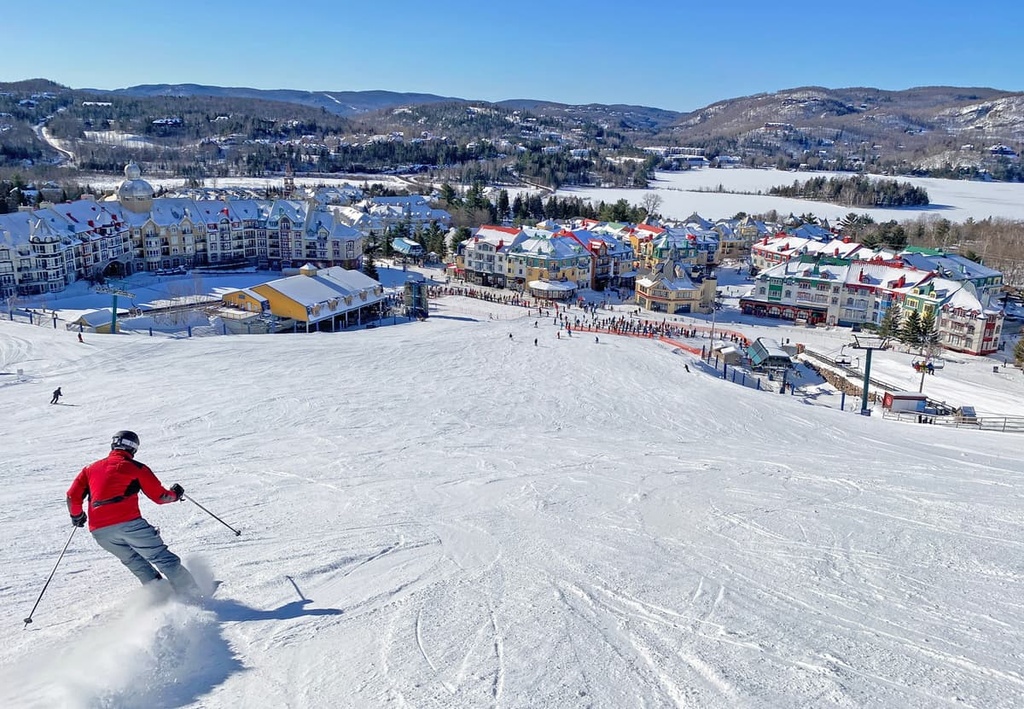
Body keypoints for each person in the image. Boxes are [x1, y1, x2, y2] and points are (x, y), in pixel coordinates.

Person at [66, 430, 200, 598]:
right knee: (161, 558)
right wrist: (175, 495)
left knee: (134, 561)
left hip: (100, 531)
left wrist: (76, 516)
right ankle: (193, 596)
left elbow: (72, 496)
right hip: (129, 524)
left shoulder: (90, 469)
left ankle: (161, 595)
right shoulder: (136, 468)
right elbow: (160, 497)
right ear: (134, 449)